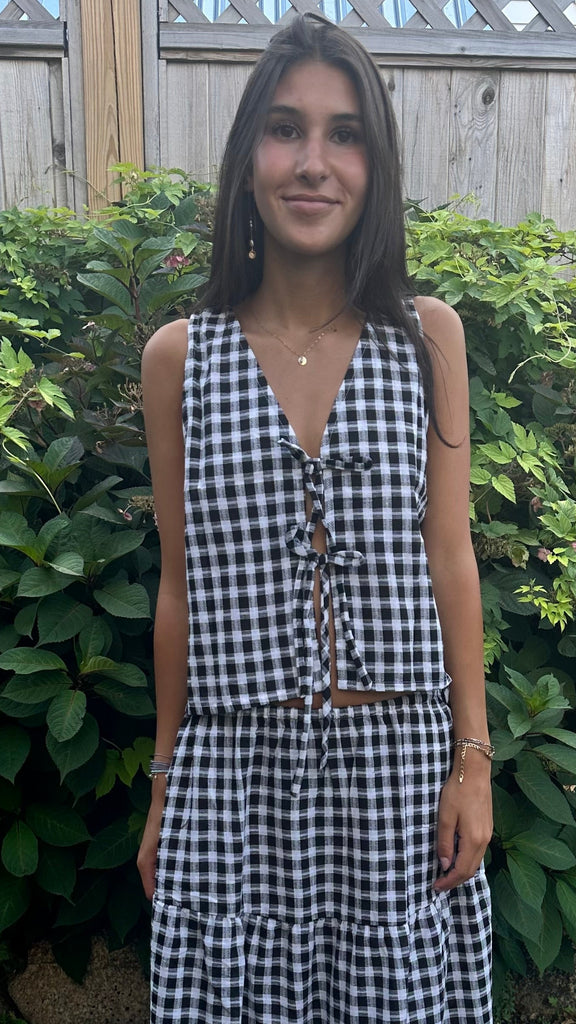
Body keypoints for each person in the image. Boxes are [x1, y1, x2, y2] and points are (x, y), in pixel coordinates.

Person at [137, 13, 493, 1023]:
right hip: (233, 779)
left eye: (345, 136)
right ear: (248, 156)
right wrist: (167, 778)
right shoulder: (179, 358)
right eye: (286, 129)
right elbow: (179, 585)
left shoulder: (427, 339)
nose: (313, 162)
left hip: (395, 778)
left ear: (375, 167)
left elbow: (451, 556)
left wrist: (474, 760)